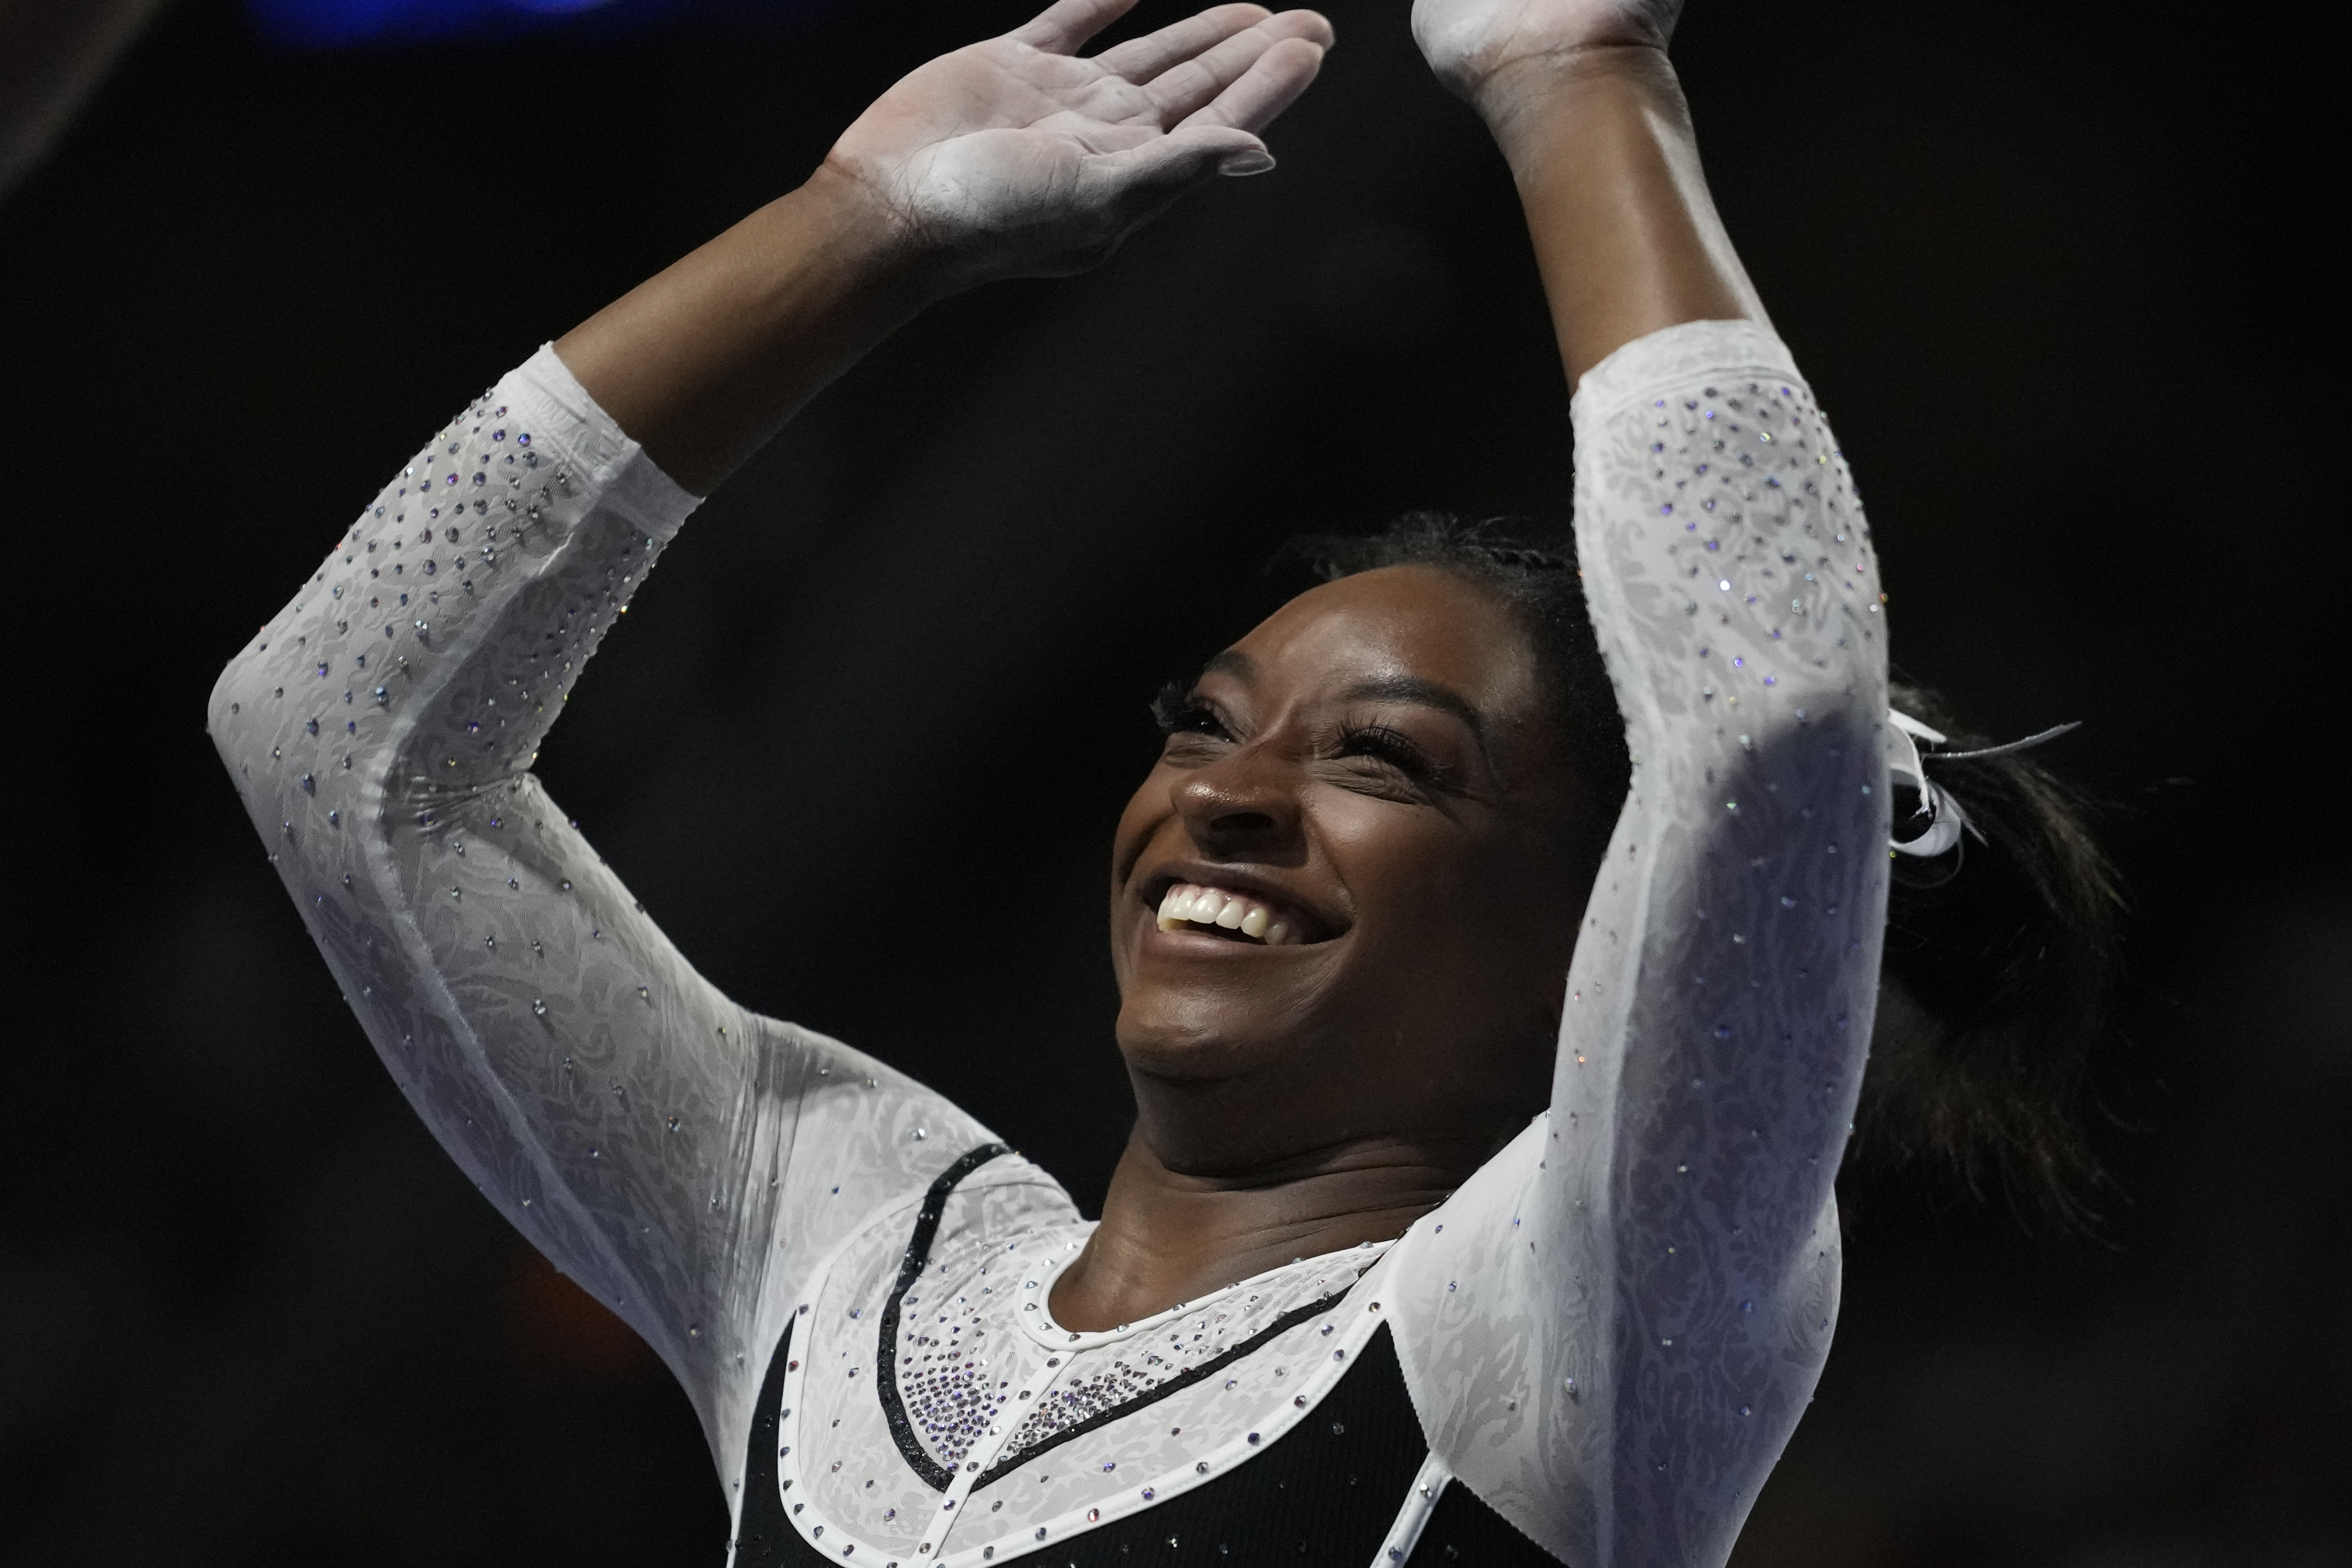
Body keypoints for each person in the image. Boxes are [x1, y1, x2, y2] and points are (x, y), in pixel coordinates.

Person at [207, 0, 2110, 1561]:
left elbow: (1763, 720)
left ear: (1599, 925)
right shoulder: (841, 1244)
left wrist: (1575, 77)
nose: (1226, 794)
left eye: (1387, 763)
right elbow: (341, 742)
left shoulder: (1565, 1329)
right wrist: (855, 230)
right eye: (1202, 724)